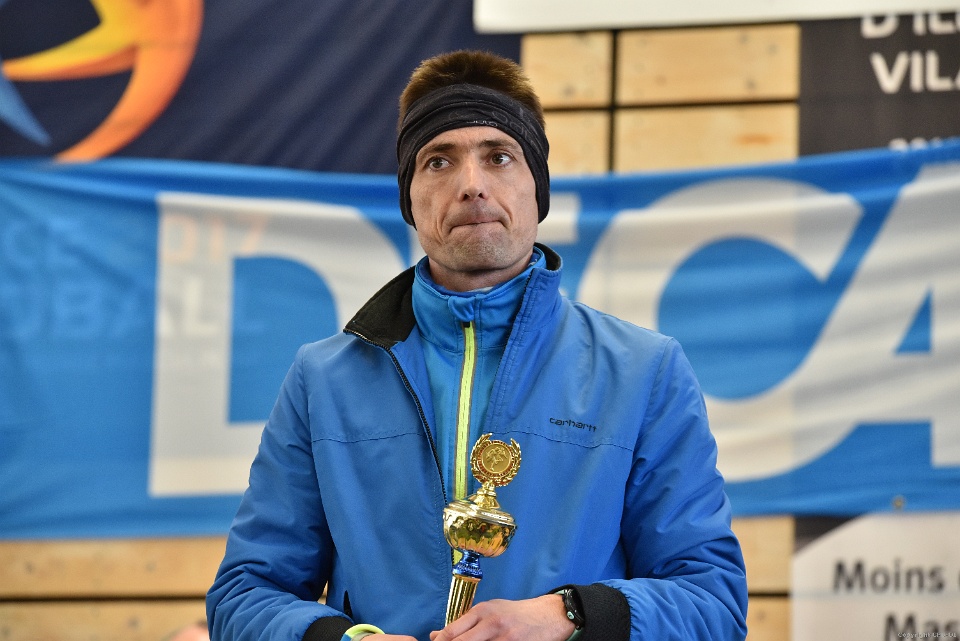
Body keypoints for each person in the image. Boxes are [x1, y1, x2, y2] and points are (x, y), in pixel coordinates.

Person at [206, 50, 748, 641]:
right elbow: (244, 594)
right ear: (410, 199)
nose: (471, 185)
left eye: (499, 157)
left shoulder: (643, 371)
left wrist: (568, 616)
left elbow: (712, 601)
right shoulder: (323, 379)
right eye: (438, 161)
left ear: (537, 189)